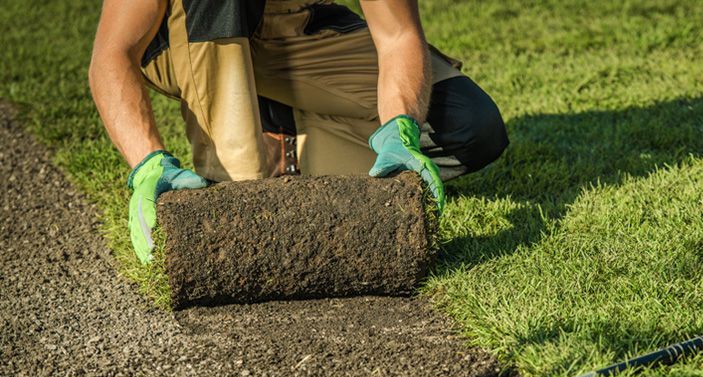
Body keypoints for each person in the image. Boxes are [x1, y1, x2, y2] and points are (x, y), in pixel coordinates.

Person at [89, 0, 509, 263]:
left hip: (298, 27)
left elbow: (398, 35)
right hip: (191, 31)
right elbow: (113, 54)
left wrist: (399, 127)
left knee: (469, 128)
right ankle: (235, 176)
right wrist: (147, 162)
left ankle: (282, 137)